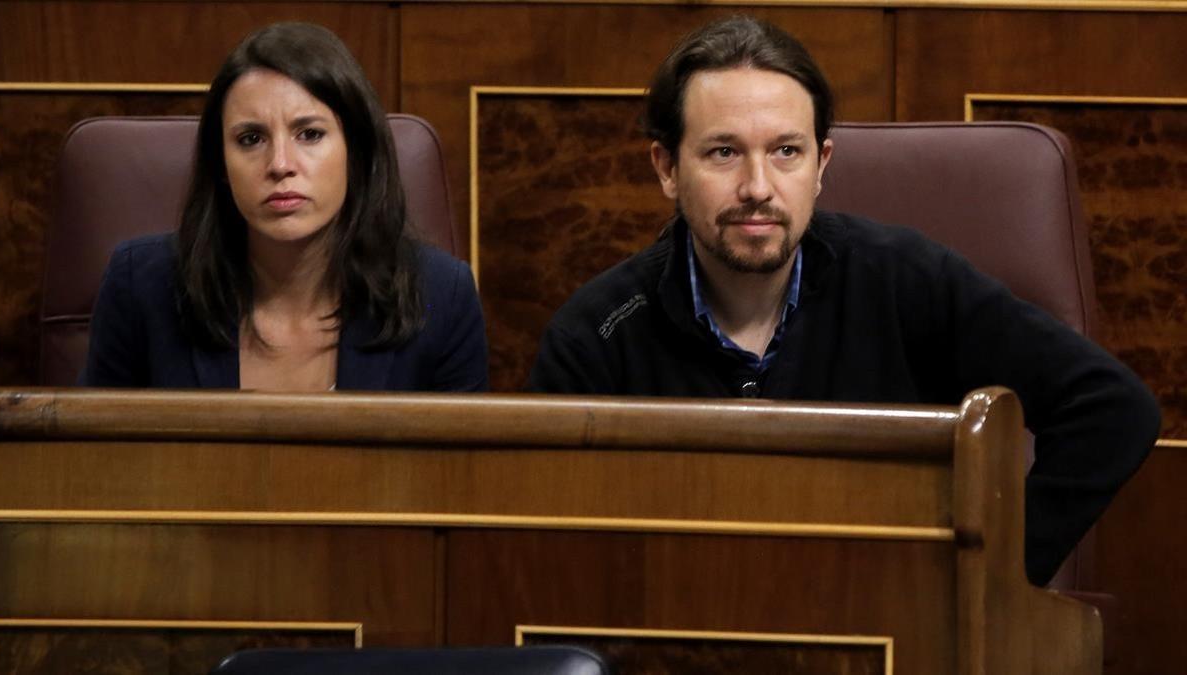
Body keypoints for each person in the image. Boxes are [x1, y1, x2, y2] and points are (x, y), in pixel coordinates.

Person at [527, 15, 1160, 585]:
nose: (758, 187)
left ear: (822, 163)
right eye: (724, 152)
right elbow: (546, 555)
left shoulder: (904, 279)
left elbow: (1111, 410)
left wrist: (981, 582)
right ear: (667, 168)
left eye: (786, 152)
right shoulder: (597, 334)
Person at [81, 22, 487, 392]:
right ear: (221, 165)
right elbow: (98, 463)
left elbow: (456, 473)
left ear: (356, 151)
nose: (279, 165)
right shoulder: (140, 287)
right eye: (251, 139)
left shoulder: (442, 297)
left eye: (309, 134)